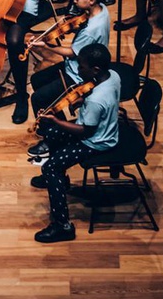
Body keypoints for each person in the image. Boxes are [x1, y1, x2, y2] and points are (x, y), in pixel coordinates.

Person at [29, 43, 120, 244]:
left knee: (50, 167)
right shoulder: (113, 76)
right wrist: (82, 100)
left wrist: (56, 120)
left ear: (95, 69)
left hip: (96, 142)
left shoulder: (96, 100)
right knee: (52, 135)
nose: (78, 71)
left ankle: (62, 226)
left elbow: (85, 131)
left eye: (82, 67)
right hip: (105, 128)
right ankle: (60, 181)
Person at [27, 0, 111, 122]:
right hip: (75, 65)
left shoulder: (90, 31)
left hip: (77, 74)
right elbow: (83, 24)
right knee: (36, 80)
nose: (75, 1)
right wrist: (73, 26)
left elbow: (71, 52)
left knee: (37, 98)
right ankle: (56, 117)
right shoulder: (102, 9)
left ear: (91, 0)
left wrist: (46, 45)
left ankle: (52, 129)